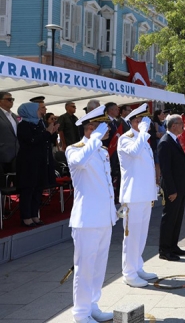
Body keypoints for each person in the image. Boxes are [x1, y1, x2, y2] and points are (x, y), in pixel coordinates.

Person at [65, 105, 116, 323]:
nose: (108, 132)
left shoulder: (102, 151)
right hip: (86, 219)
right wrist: (94, 138)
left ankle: (92, 305)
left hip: (104, 217)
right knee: (85, 269)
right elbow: (80, 163)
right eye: (103, 127)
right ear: (90, 129)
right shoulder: (74, 149)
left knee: (98, 267)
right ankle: (81, 312)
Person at [117, 104, 158, 288]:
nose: (143, 124)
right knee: (131, 236)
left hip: (145, 194)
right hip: (133, 196)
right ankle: (129, 273)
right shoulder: (126, 139)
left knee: (141, 234)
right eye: (138, 120)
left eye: (143, 121)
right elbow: (134, 152)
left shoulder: (143, 140)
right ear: (131, 122)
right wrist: (142, 132)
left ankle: (138, 266)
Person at [157, 114, 185, 261]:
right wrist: (171, 190)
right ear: (173, 126)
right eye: (181, 123)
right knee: (169, 219)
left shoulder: (174, 140)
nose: (183, 126)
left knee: (177, 219)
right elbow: (165, 169)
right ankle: (165, 250)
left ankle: (173, 246)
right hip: (173, 189)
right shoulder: (165, 142)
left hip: (180, 187)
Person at [15, 102, 57, 226]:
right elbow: (31, 141)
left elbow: (46, 140)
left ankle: (34, 215)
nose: (42, 111)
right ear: (31, 111)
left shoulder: (40, 123)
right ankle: (26, 217)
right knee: (28, 189)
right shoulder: (23, 125)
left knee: (38, 188)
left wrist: (52, 132)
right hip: (28, 162)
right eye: (39, 109)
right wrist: (47, 133)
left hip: (40, 160)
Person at [0, 91, 18, 187]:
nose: (11, 101)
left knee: (16, 182)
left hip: (15, 154)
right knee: (3, 184)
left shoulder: (13, 115)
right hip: (3, 154)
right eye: (8, 99)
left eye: (12, 99)